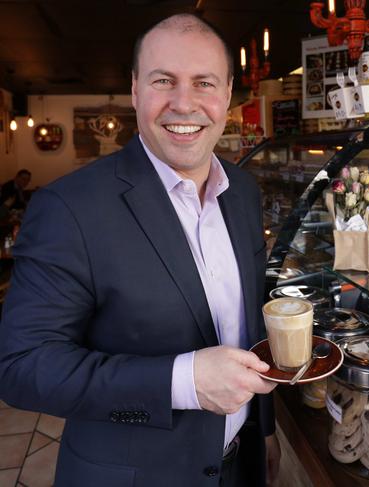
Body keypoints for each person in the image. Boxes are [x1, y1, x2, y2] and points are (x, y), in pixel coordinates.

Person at [0, 13, 280, 487]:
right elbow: (22, 366)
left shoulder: (245, 192)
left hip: (239, 464)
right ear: (135, 90)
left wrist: (265, 431)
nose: (184, 103)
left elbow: (245, 321)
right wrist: (184, 380)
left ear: (228, 94)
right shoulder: (69, 207)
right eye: (164, 80)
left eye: (204, 83)